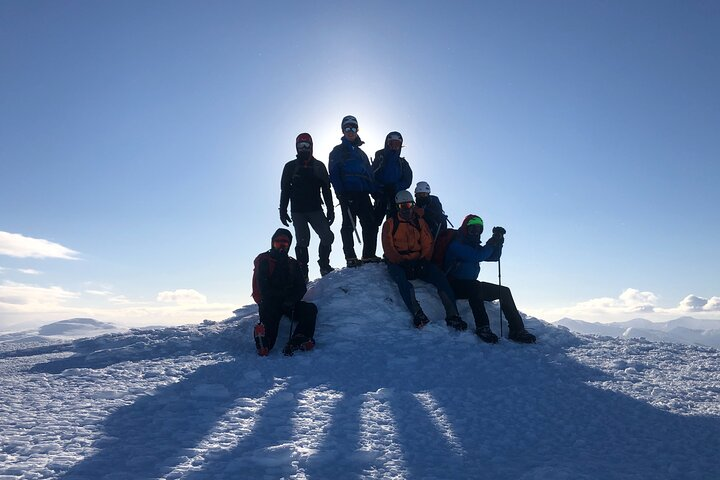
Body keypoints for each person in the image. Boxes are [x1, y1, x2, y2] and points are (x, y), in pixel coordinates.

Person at [443, 215, 536, 344]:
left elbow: (493, 257)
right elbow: (478, 256)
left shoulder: (473, 246)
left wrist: (498, 242)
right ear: (465, 229)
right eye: (472, 229)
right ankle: (483, 327)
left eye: (479, 230)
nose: (476, 232)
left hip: (470, 286)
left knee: (503, 291)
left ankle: (517, 330)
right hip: (453, 285)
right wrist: (492, 242)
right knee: (475, 286)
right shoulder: (456, 245)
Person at [382, 190, 467, 330]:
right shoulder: (390, 223)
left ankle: (453, 315)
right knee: (403, 282)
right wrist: (400, 261)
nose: (406, 209)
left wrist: (424, 260)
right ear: (397, 207)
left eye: (409, 205)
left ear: (413, 205)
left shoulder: (419, 222)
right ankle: (417, 313)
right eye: (403, 206)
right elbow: (388, 246)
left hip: (418, 261)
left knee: (440, 278)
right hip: (399, 263)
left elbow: (427, 242)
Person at [252, 228, 318, 356]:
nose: (281, 246)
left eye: (285, 243)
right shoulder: (264, 260)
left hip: (289, 303)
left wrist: (292, 299)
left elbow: (301, 287)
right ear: (272, 243)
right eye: (278, 243)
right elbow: (263, 286)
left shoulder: (293, 263)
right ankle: (264, 342)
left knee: (310, 309)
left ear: (289, 245)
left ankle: (299, 338)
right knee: (270, 319)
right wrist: (281, 298)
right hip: (269, 302)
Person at [279, 133, 335, 280]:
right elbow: (285, 189)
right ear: (296, 148)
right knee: (302, 241)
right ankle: (303, 272)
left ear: (311, 146)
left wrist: (330, 209)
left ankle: (324, 265)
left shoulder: (319, 166)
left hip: (316, 208)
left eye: (306, 145)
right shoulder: (290, 167)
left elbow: (326, 190)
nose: (304, 148)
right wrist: (282, 210)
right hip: (298, 211)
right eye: (300, 146)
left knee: (327, 236)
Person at [329, 115, 380, 266]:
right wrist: (340, 193)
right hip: (348, 193)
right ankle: (350, 257)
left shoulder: (361, 153)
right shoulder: (337, 151)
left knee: (370, 223)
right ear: (343, 131)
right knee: (349, 225)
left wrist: (374, 191)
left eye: (353, 128)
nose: (350, 131)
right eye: (347, 128)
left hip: (363, 193)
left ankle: (368, 254)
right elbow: (334, 173)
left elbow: (369, 174)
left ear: (357, 130)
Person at [372, 131, 413, 225]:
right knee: (374, 223)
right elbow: (372, 175)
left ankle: (392, 239)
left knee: (394, 223)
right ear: (387, 144)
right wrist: (378, 189)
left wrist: (395, 187)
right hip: (381, 195)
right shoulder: (379, 158)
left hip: (396, 197)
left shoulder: (402, 162)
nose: (394, 146)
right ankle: (371, 239)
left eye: (397, 144)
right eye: (392, 143)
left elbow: (408, 180)